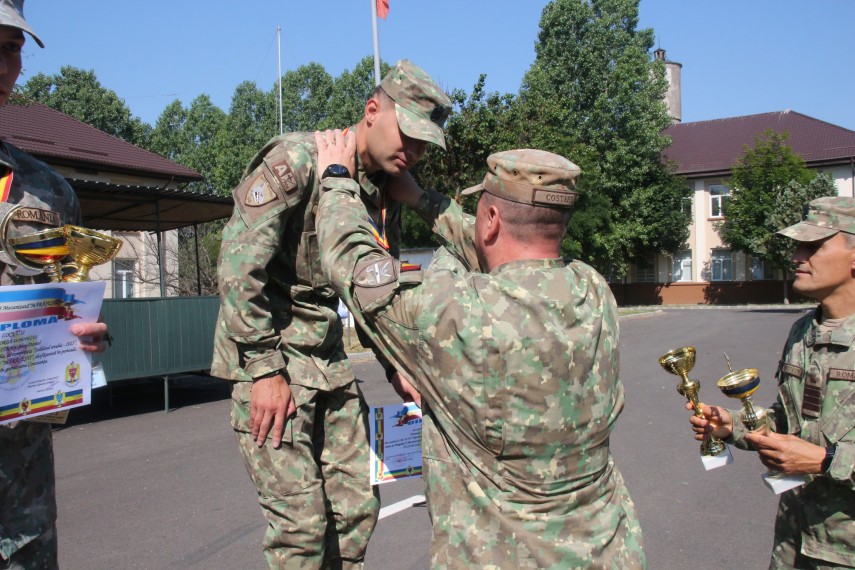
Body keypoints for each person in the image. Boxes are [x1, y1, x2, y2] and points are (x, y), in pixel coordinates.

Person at [315, 133, 646, 568]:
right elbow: (509, 251)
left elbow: (357, 269)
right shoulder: (593, 291)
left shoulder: (457, 313)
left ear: (489, 218)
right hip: (609, 551)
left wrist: (336, 179)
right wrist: (420, 199)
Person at [211, 60, 451, 568]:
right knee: (300, 529)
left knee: (356, 511)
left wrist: (394, 364)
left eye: (426, 142)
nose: (415, 151)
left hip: (328, 363)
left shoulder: (385, 191)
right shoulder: (298, 160)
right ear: (372, 111)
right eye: (408, 133)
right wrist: (263, 371)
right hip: (271, 361)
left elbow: (371, 289)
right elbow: (236, 267)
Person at [0, 2, 110, 568]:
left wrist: (82, 338)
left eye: (10, 48)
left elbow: (64, 303)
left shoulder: (47, 192)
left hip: (21, 479)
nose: (0, 65)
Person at [690, 196, 855, 568]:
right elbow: (792, 423)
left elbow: (817, 454)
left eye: (813, 246)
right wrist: (733, 425)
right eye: (797, 246)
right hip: (795, 544)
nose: (797, 256)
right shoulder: (803, 332)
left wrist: (828, 461)